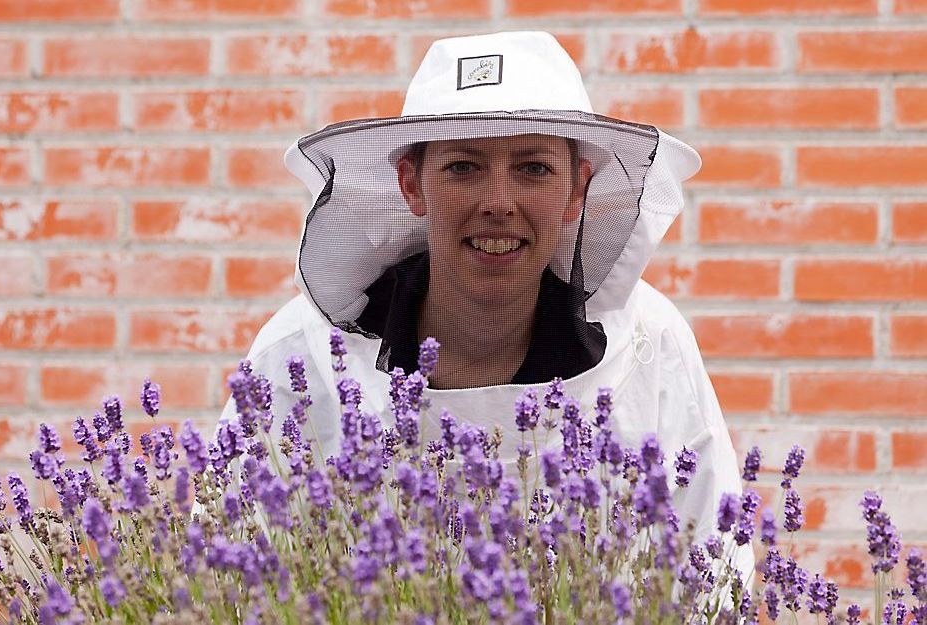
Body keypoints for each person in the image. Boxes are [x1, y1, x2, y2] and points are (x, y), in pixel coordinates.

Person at [216, 30, 753, 578]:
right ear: (412, 183)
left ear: (577, 189)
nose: (498, 203)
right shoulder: (297, 353)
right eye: (463, 167)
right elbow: (227, 568)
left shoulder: (651, 339)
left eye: (533, 169)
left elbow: (712, 562)